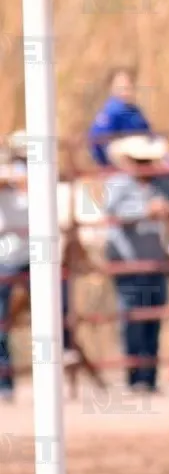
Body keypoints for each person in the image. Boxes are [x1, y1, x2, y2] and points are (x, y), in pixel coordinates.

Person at [102, 134, 169, 393]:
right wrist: (146, 211)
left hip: (155, 262)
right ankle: (135, 377)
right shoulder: (117, 184)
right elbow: (111, 213)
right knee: (132, 320)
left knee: (153, 319)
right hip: (128, 264)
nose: (146, 166)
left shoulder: (162, 183)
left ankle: (149, 378)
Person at [0, 130, 77, 403]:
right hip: (7, 257)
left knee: (58, 305)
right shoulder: (8, 172)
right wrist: (13, 178)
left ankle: (65, 352)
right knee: (1, 322)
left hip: (38, 255)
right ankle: (4, 384)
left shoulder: (46, 175)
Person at [89, 67, 154, 169]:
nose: (126, 88)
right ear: (112, 87)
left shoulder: (135, 111)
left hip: (141, 156)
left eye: (128, 84)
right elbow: (98, 142)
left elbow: (149, 134)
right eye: (121, 85)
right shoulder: (110, 112)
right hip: (119, 163)